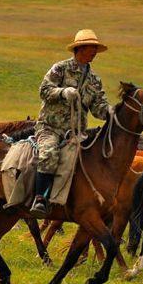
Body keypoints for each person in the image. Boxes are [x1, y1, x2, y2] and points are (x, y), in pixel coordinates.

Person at [30, 29, 110, 217]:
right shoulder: (60, 68)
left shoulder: (94, 80)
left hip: (77, 134)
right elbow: (44, 90)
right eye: (92, 47)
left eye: (96, 48)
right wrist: (63, 92)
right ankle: (40, 198)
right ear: (80, 48)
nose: (95, 51)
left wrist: (111, 112)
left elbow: (99, 108)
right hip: (50, 128)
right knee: (49, 153)